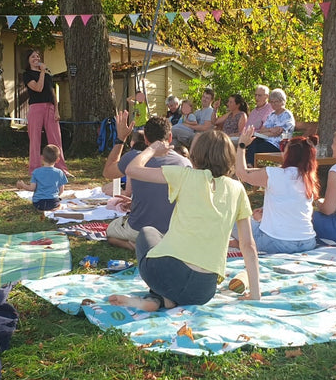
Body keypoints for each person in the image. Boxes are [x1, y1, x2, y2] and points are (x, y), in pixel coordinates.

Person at [107, 130, 261, 310]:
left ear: (195, 156)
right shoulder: (237, 189)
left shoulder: (184, 175)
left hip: (167, 274)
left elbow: (132, 169)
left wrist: (152, 148)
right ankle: (160, 299)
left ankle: (157, 297)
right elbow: (248, 245)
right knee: (163, 246)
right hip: (203, 291)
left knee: (148, 233)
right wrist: (255, 294)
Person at [102, 112, 191, 250]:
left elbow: (107, 172)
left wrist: (120, 139)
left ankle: (136, 246)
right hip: (172, 232)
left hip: (139, 230)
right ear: (170, 137)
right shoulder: (185, 163)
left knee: (110, 232)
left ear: (146, 140)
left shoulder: (134, 158)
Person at [235, 125, 318, 253]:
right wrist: (265, 211)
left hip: (277, 242)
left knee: (236, 221)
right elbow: (291, 204)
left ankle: (238, 244)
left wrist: (241, 146)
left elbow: (242, 173)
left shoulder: (275, 174)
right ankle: (240, 243)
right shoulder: (309, 178)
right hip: (308, 241)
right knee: (253, 224)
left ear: (290, 154)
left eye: (284, 147)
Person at [23, 49, 69, 175]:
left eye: (38, 56)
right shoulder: (27, 74)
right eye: (33, 56)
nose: (36, 58)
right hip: (36, 108)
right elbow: (38, 88)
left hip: (50, 108)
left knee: (56, 138)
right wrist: (42, 71)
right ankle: (34, 169)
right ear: (28, 60)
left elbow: (52, 93)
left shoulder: (48, 75)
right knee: (35, 139)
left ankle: (61, 168)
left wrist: (57, 110)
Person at [244, 88, 296, 166]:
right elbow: (262, 130)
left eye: (276, 102)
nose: (274, 104)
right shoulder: (272, 115)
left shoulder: (287, 115)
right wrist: (271, 129)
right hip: (266, 141)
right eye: (272, 102)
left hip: (278, 145)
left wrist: (269, 131)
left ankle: (250, 166)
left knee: (253, 146)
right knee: (252, 141)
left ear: (283, 101)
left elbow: (278, 133)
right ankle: (250, 165)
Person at [17, 145, 69, 211]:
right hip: (53, 202)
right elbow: (61, 191)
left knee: (42, 205)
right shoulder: (59, 172)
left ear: (42, 158)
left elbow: (32, 188)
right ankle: (57, 207)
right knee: (58, 204)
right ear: (58, 160)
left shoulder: (36, 172)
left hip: (38, 203)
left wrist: (23, 185)